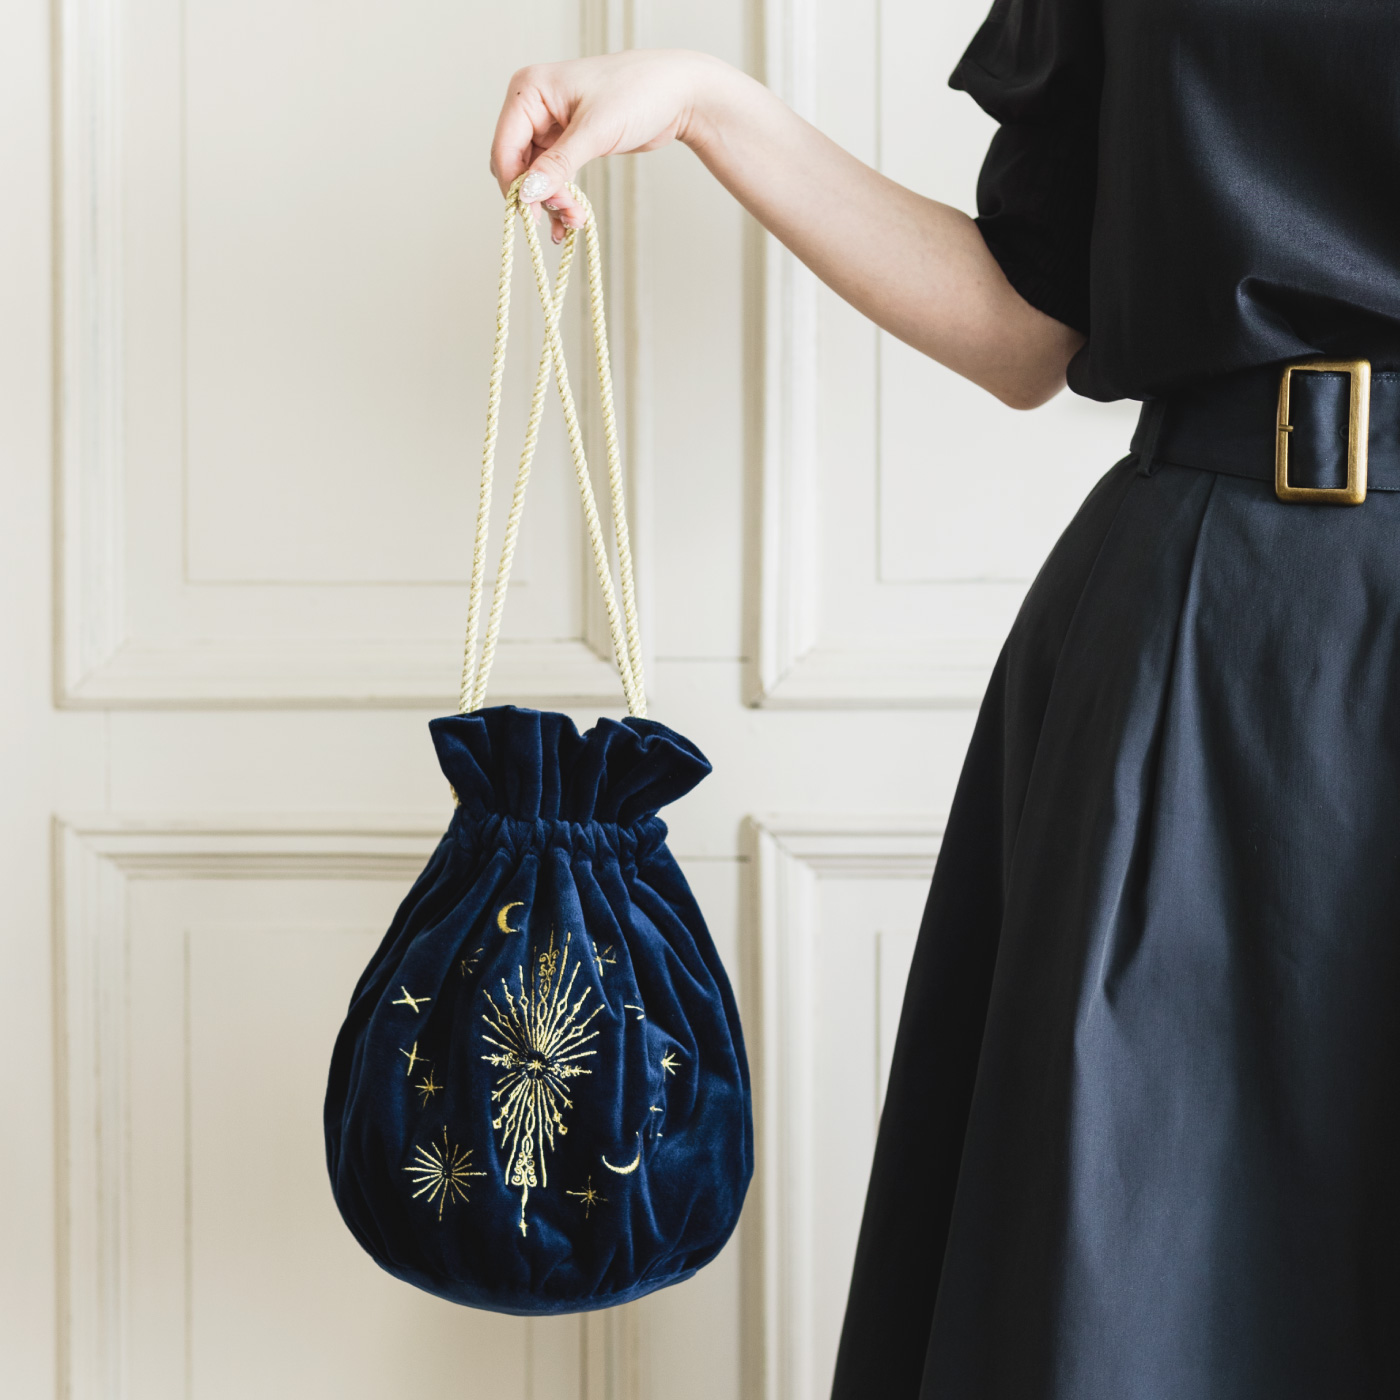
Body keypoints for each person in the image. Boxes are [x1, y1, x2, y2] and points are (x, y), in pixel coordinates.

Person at [493, 5, 1400, 1396]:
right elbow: (1026, 324)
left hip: (1215, 641)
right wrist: (705, 105)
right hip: (1203, 653)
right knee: (1137, 1295)